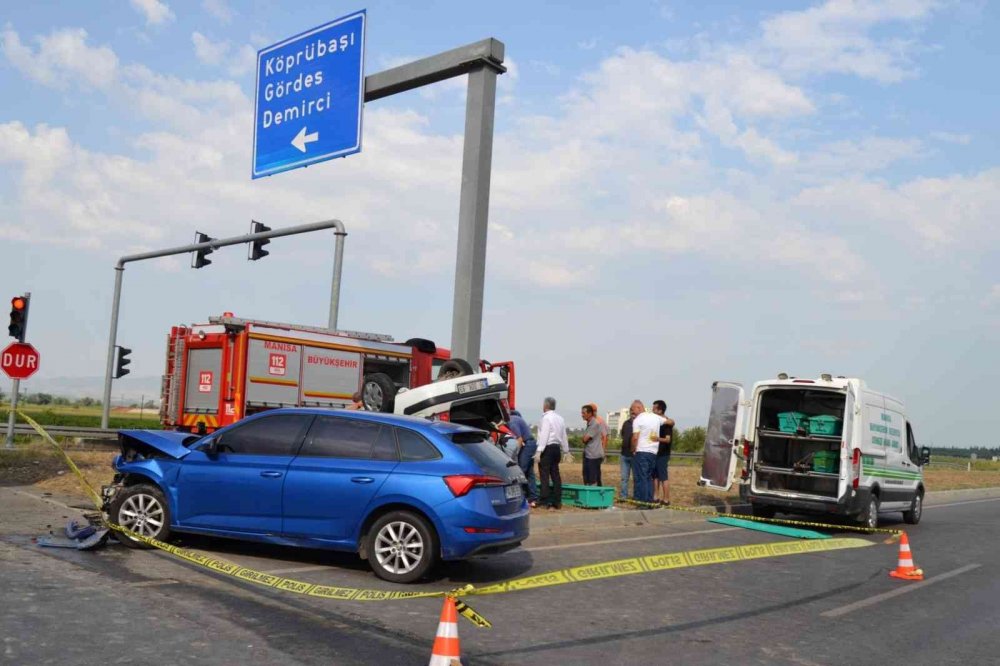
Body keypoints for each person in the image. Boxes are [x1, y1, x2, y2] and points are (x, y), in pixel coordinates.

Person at [630, 400, 670, 504]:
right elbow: (670, 422)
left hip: (642, 451)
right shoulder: (654, 417)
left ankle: (644, 501)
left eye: (632, 409)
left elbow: (635, 438)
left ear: (639, 408)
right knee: (648, 478)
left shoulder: (638, 420)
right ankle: (647, 499)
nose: (632, 412)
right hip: (653, 453)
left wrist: (633, 449)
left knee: (641, 477)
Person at [534, 396, 569, 509]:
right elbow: (564, 436)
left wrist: (539, 451)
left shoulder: (546, 418)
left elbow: (544, 435)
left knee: (544, 475)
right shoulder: (560, 419)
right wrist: (566, 451)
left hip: (547, 448)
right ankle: (557, 501)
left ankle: (544, 500)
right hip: (556, 449)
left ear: (545, 406)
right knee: (555, 474)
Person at [508, 409, 539, 506]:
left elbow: (519, 439)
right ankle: (533, 498)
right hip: (531, 443)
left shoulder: (511, 422)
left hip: (528, 444)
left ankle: (520, 497)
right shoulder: (515, 418)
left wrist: (515, 453)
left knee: (521, 471)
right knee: (529, 472)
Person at [651, 399, 676, 505]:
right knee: (655, 476)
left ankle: (666, 499)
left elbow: (667, 439)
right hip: (655, 453)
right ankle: (655, 497)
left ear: (660, 410)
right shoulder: (656, 422)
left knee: (663, 477)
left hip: (663, 454)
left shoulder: (666, 424)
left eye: (654, 409)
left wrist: (657, 438)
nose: (652, 411)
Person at [580, 404, 605, 486]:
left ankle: (593, 496)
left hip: (593, 456)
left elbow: (585, 439)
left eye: (584, 413)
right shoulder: (590, 424)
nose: (582, 415)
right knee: (588, 477)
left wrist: (584, 438)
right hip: (589, 455)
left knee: (592, 478)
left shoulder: (594, 424)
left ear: (590, 413)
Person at [619, 410, 635, 500]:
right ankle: (623, 496)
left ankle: (636, 496)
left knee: (636, 478)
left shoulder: (640, 424)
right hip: (624, 454)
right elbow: (622, 435)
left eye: (634, 412)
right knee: (624, 478)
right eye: (631, 412)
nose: (633, 414)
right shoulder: (626, 423)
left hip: (634, 455)